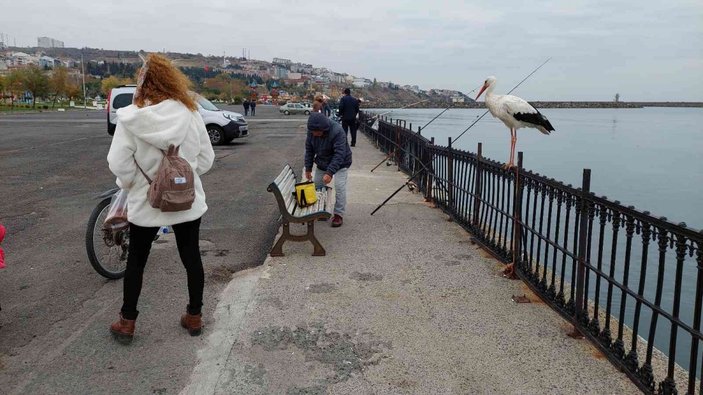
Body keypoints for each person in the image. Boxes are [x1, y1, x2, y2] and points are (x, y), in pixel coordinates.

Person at [106, 53, 215, 343]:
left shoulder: (131, 119)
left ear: (143, 84)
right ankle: (194, 316)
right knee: (191, 258)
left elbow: (118, 163)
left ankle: (127, 322)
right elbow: (206, 158)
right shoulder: (190, 113)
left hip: (146, 204)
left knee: (137, 262)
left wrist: (136, 184)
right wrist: (184, 178)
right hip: (187, 202)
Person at [304, 112, 352, 227]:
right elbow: (309, 150)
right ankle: (322, 210)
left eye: (317, 132)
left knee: (340, 187)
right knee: (318, 186)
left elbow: (339, 154)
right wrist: (308, 168)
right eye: (313, 132)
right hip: (322, 161)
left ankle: (338, 214)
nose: (314, 134)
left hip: (341, 163)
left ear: (324, 129)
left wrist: (330, 173)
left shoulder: (338, 131)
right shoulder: (312, 132)